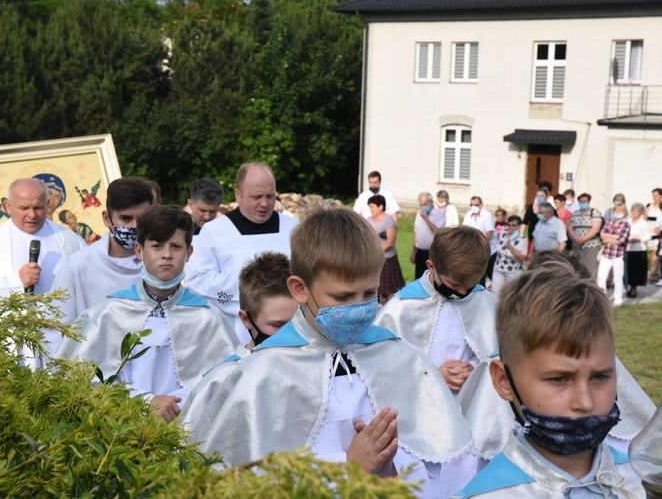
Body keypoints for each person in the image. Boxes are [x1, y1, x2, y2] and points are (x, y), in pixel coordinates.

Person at [187, 208, 474, 497]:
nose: (359, 308)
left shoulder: (404, 359)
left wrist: (391, 464)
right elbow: (240, 480)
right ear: (300, 289)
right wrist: (347, 467)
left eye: (369, 294)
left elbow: (444, 467)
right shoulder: (262, 374)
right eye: (342, 296)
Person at [455, 268, 644, 498]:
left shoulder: (644, 480)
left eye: (600, 377)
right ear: (504, 381)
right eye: (559, 379)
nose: (584, 402)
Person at [57, 206, 240, 422]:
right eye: (156, 246)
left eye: (176, 247)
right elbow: (81, 379)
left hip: (188, 426)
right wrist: (144, 401)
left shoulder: (207, 318)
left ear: (189, 253)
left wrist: (175, 402)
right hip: (120, 426)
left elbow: (224, 380)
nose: (166, 255)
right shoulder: (108, 313)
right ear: (139, 251)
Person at [0, 178, 85, 362]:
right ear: (8, 206)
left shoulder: (69, 241)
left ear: (48, 205)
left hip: (63, 346)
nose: (32, 215)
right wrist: (16, 282)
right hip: (12, 346)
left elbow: (90, 285)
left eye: (38, 207)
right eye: (24, 208)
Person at [185, 163, 299, 345]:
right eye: (257, 196)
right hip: (236, 332)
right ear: (238, 194)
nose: (264, 203)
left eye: (270, 196)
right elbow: (197, 281)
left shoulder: (293, 228)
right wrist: (254, 290)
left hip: (291, 327)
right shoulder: (215, 231)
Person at [376, 225, 497, 395]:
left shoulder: (485, 301)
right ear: (431, 267)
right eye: (454, 285)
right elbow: (384, 369)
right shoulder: (400, 309)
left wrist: (474, 368)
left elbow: (499, 353)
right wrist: (433, 375)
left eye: (469, 285)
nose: (462, 293)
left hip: (473, 402)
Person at [181, 251, 297, 420]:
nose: (287, 334)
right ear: (246, 319)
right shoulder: (222, 381)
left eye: (294, 323)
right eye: (277, 325)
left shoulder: (318, 366)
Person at [52, 177, 154, 324]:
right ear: (107, 218)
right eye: (125, 219)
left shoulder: (165, 260)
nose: (135, 226)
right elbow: (56, 326)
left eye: (143, 218)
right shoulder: (78, 266)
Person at [366, 195, 406, 304]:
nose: (370, 209)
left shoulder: (388, 221)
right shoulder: (368, 220)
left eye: (372, 206)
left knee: (391, 290)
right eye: (369, 207)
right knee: (377, 290)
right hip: (373, 260)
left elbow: (391, 242)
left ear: (380, 207)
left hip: (387, 259)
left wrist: (376, 252)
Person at [598, 203, 631, 306]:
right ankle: (601, 298)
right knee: (601, 276)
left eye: (619, 211)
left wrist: (609, 238)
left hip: (618, 254)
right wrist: (613, 237)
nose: (617, 213)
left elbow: (621, 240)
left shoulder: (626, 224)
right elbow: (602, 235)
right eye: (615, 211)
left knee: (618, 278)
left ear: (624, 212)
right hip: (606, 253)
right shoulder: (609, 221)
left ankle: (618, 299)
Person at [568, 193, 603, 279]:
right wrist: (576, 238)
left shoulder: (594, 212)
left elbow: (595, 229)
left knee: (589, 269)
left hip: (590, 246)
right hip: (576, 246)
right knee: (576, 268)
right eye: (581, 201)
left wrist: (583, 239)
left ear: (589, 202)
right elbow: (570, 228)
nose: (583, 203)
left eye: (585, 201)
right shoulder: (575, 213)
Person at [412, 192, 446, 281]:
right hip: (420, 251)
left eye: (425, 204)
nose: (423, 207)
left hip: (432, 252)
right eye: (421, 205)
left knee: (432, 278)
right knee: (419, 278)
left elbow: (437, 231)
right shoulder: (419, 214)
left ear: (431, 202)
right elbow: (417, 232)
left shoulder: (440, 213)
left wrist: (426, 218)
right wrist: (413, 251)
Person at [462, 196, 496, 283]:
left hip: (489, 249)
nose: (473, 207)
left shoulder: (487, 215)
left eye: (476, 205)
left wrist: (480, 244)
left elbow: (489, 233)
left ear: (481, 205)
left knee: (491, 273)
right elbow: (464, 230)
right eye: (471, 205)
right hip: (473, 250)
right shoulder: (468, 215)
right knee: (478, 275)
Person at [491, 215, 527, 295]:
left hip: (513, 273)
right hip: (498, 269)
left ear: (518, 226)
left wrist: (510, 247)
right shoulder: (503, 234)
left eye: (513, 225)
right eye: (509, 225)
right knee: (495, 294)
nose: (510, 227)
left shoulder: (522, 239)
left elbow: (522, 258)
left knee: (510, 295)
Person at [626, 202, 651, 298]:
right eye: (633, 211)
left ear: (640, 212)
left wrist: (639, 238)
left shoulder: (643, 223)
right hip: (628, 249)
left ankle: (633, 289)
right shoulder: (627, 222)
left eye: (636, 211)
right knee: (628, 270)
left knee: (636, 271)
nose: (634, 213)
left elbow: (648, 236)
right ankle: (627, 287)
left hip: (639, 250)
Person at [520, 187, 549, 255]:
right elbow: (525, 222)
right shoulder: (531, 207)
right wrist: (521, 235)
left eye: (542, 196)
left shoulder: (549, 209)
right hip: (532, 237)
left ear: (546, 197)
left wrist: (537, 213)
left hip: (544, 239)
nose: (539, 198)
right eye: (538, 196)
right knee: (530, 258)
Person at [645, 188, 662, 283]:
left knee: (656, 252)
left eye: (656, 195)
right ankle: (656, 273)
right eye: (653, 196)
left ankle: (652, 274)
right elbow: (645, 218)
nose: (654, 198)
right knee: (652, 253)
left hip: (658, 232)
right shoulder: (649, 206)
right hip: (649, 232)